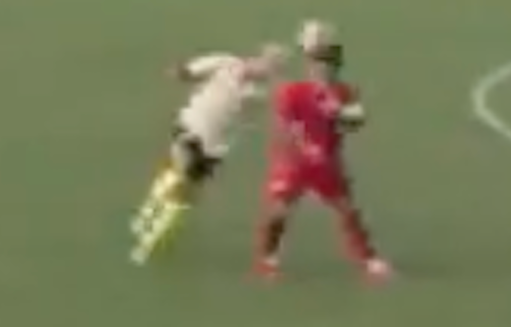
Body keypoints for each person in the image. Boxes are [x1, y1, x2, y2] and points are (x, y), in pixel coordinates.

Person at [130, 43, 288, 265]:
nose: (264, 68)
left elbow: (259, 102)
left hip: (212, 148)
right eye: (265, 61)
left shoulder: (257, 95)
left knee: (186, 190)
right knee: (177, 176)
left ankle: (153, 230)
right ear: (256, 56)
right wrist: (182, 72)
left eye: (271, 67)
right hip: (190, 126)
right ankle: (148, 222)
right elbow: (194, 70)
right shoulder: (225, 62)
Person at [255, 22, 391, 281]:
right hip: (294, 164)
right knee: (280, 210)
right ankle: (267, 259)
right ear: (311, 64)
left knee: (347, 210)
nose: (324, 68)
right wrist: (305, 147)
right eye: (320, 62)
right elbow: (286, 127)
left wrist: (341, 114)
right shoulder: (294, 92)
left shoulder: (344, 93)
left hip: (327, 163)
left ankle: (369, 259)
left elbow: (357, 121)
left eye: (329, 63)